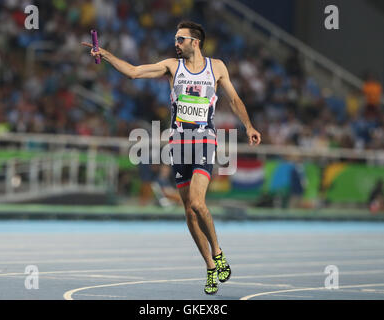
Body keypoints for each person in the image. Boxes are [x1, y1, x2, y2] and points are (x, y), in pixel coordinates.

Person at [82, 20, 261, 295]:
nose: (176, 43)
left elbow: (235, 100)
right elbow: (132, 72)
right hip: (179, 145)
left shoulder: (217, 67)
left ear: (195, 42)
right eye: (175, 39)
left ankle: (219, 252)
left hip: (204, 141)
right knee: (188, 210)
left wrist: (248, 126)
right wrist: (105, 54)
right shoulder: (171, 67)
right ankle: (211, 268)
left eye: (180, 39)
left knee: (199, 204)